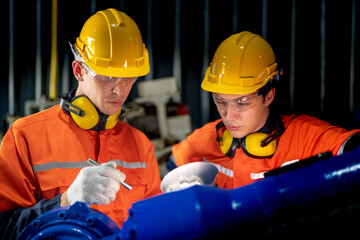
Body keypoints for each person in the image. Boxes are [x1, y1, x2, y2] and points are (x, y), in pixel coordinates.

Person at [0, 8, 161, 238]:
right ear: (79, 70)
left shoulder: (141, 146)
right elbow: (4, 228)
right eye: (106, 77)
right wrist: (66, 200)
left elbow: (153, 228)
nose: (119, 90)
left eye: (128, 78)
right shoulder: (25, 137)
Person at [170, 31, 360, 189]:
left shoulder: (303, 138)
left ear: (268, 96)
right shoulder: (208, 138)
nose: (229, 115)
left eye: (242, 103)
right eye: (221, 101)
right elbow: (173, 167)